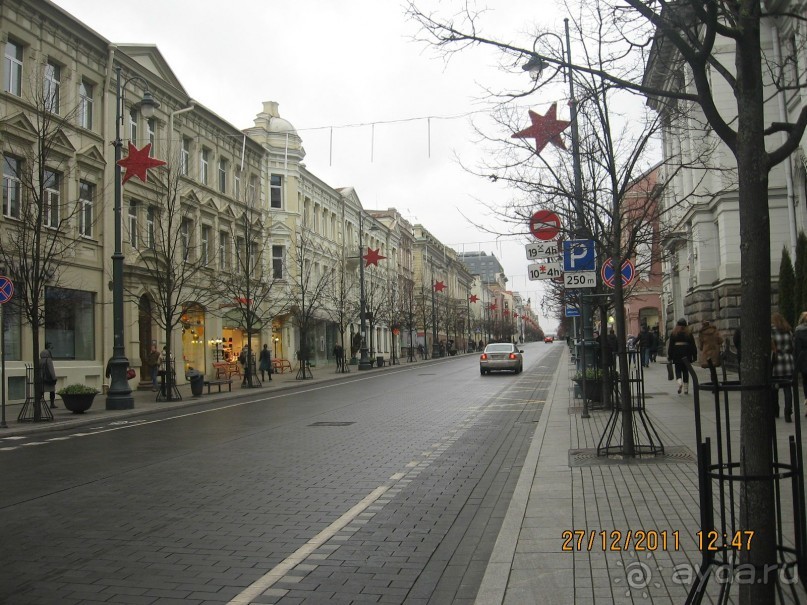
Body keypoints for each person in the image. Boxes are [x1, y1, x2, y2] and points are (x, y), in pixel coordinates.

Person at [771, 312, 795, 421]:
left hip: (777, 363)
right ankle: (788, 412)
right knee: (787, 388)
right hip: (788, 361)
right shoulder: (788, 331)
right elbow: (793, 346)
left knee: (775, 388)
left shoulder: (772, 332)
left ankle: (775, 410)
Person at [668, 318, 697, 394]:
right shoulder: (688, 334)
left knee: (678, 370)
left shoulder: (674, 333)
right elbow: (693, 346)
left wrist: (670, 356)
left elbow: (671, 346)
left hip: (677, 354)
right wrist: (694, 355)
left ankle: (680, 383)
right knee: (685, 371)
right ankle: (686, 389)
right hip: (686, 354)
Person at [794, 312, 807, 416]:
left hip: (804, 362)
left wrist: (797, 366)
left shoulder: (798, 332)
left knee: (806, 384)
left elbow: (797, 350)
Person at [40, 342, 57, 409]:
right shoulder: (48, 360)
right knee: (52, 391)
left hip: (41, 378)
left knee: (41, 391)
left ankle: (37, 403)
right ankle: (52, 404)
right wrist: (54, 378)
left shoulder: (40, 360)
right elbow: (51, 369)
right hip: (48, 378)